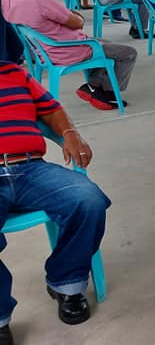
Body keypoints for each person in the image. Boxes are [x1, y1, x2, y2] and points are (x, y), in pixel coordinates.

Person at [0, 61, 111, 340]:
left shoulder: (15, 73)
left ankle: (66, 282)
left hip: (30, 168)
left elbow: (51, 109)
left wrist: (69, 133)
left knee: (87, 200)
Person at [2, 0, 138, 110]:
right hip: (67, 50)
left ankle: (94, 85)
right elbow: (77, 24)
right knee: (128, 53)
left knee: (104, 44)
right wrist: (73, 14)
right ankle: (106, 92)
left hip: (42, 52)